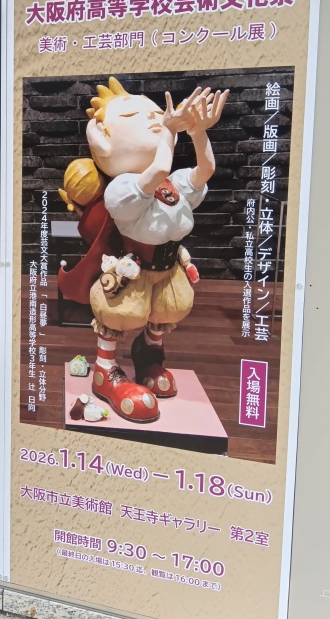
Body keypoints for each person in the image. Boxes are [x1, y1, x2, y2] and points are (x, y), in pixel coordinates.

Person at [58, 77, 228, 422]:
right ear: (103, 140)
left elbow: (206, 170)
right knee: (122, 313)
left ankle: (149, 355)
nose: (154, 118)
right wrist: (170, 130)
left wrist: (198, 132)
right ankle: (105, 370)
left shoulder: (171, 183)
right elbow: (159, 167)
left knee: (168, 309)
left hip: (167, 267)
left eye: (155, 113)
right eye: (133, 115)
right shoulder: (123, 188)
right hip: (132, 270)